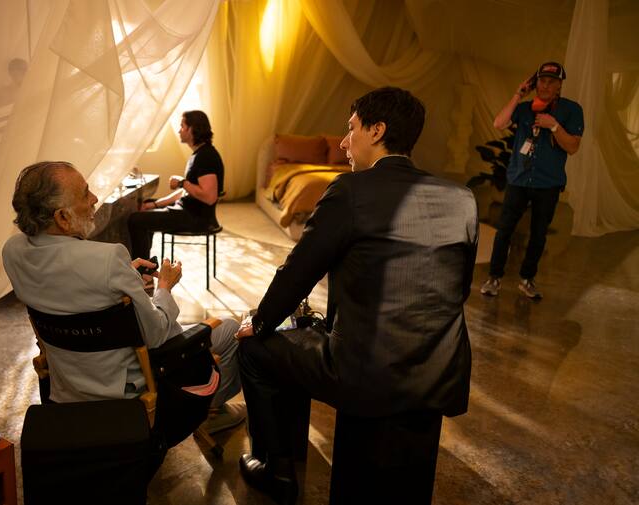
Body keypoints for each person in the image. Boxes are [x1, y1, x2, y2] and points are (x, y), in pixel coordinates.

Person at [234, 87, 478, 505]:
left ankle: (276, 470)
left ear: (377, 130)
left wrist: (258, 322)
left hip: (366, 370)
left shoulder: (349, 191)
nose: (345, 143)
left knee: (256, 349)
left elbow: (298, 274)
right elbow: (459, 289)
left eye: (351, 130)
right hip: (439, 367)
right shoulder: (463, 199)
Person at [1, 161, 244, 437]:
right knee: (231, 329)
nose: (94, 199)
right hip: (122, 387)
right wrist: (165, 286)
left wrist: (124, 277)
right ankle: (209, 412)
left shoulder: (12, 251)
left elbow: (65, 283)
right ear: (62, 217)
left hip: (66, 383)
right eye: (85, 193)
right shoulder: (108, 258)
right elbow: (156, 334)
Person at [480, 61, 583, 299]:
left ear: (559, 85)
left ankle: (527, 279)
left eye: (551, 82)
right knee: (504, 230)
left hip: (548, 183)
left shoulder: (572, 110)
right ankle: (494, 277)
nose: (545, 86)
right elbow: (499, 123)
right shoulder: (525, 108)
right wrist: (518, 94)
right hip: (519, 178)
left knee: (538, 234)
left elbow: (573, 147)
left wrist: (554, 126)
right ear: (535, 84)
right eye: (541, 81)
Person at [127, 110, 224, 260]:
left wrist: (182, 182)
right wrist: (154, 204)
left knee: (135, 220)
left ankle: (142, 269)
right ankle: (146, 263)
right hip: (188, 210)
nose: (179, 130)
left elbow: (209, 197)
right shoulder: (199, 154)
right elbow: (188, 191)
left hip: (196, 218)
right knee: (146, 204)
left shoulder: (206, 157)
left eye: (182, 126)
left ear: (192, 129)